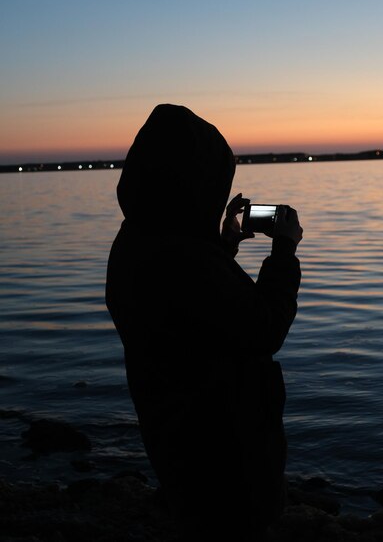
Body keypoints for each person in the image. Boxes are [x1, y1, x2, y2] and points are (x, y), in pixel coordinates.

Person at [105, 104, 302, 542]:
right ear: (192, 183)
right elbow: (263, 328)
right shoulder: (184, 259)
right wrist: (284, 254)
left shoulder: (136, 241)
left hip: (177, 447)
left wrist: (223, 245)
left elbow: (191, 309)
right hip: (224, 457)